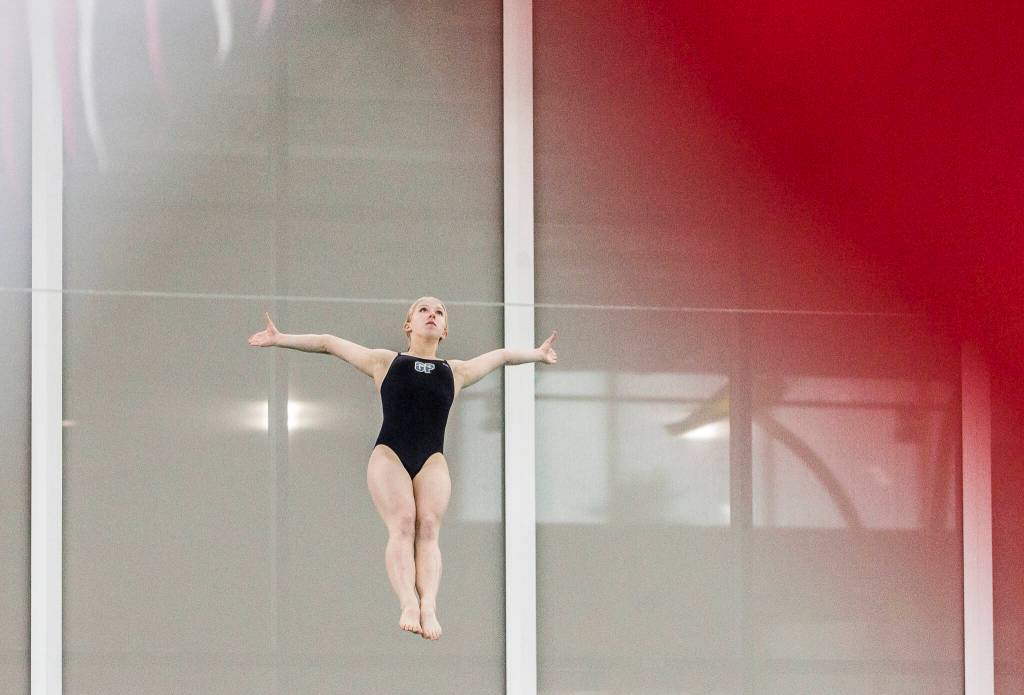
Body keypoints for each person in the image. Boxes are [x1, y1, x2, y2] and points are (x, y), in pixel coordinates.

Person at [247, 297, 558, 640]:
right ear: (408, 325)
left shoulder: (455, 372)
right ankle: (408, 601)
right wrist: (280, 338)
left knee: (428, 527)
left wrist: (537, 354)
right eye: (423, 310)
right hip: (389, 455)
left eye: (439, 312)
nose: (431, 315)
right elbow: (327, 342)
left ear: (444, 330)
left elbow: (501, 356)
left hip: (431, 459)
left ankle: (429, 605)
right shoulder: (384, 362)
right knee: (404, 522)